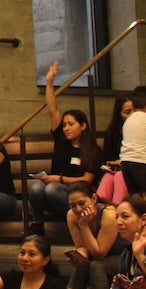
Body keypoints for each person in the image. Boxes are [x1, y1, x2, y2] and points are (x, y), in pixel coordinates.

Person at [26, 61, 101, 230]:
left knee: (51, 189)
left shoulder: (92, 149)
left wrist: (59, 179)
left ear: (83, 126)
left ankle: (79, 218)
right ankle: (38, 224)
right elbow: (52, 109)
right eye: (65, 125)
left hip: (76, 190)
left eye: (71, 124)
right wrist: (49, 83)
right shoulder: (61, 141)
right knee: (37, 188)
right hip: (55, 187)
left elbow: (87, 179)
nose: (66, 128)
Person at [59, 182, 123, 289]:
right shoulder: (71, 215)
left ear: (94, 198)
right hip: (100, 257)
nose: (78, 209)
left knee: (96, 265)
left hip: (123, 257)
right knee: (83, 265)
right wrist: (78, 256)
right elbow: (82, 246)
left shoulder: (109, 214)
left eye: (82, 203)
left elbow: (100, 252)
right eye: (73, 205)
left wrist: (84, 225)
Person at [95, 94, 134, 205]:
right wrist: (113, 164)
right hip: (117, 170)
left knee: (119, 176)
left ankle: (117, 214)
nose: (132, 115)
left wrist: (123, 162)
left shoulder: (144, 128)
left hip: (136, 170)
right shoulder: (113, 132)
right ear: (119, 114)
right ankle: (99, 212)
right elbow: (107, 158)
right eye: (127, 112)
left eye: (134, 111)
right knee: (108, 177)